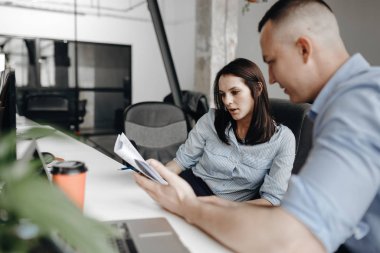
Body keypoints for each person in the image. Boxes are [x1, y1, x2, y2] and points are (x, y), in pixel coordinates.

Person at [134, 1, 380, 252]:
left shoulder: (359, 104)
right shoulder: (348, 103)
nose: (271, 77)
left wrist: (189, 206)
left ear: (304, 49)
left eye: (271, 61)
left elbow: (291, 239)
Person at [165, 58, 295, 204]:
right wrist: (158, 176)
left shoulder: (283, 139)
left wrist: (224, 209)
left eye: (235, 92)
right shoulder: (210, 120)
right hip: (188, 189)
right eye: (222, 94)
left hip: (230, 209)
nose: (227, 101)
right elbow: (181, 162)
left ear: (258, 89)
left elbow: (271, 200)